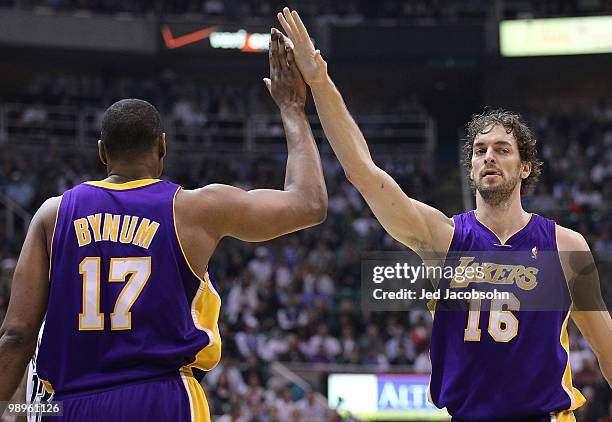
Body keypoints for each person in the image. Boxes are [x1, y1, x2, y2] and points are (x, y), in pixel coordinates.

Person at [275, 7, 612, 421]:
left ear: (525, 168)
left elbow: (607, 352)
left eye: (503, 150)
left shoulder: (565, 245)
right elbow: (362, 172)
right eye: (480, 151)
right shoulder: (443, 239)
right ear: (470, 168)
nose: (489, 157)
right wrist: (319, 80)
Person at [0, 29, 327, 421]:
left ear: (102, 152)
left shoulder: (52, 215)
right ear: (162, 146)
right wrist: (292, 107)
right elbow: (309, 203)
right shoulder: (195, 209)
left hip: (70, 404)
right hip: (163, 399)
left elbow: (17, 336)